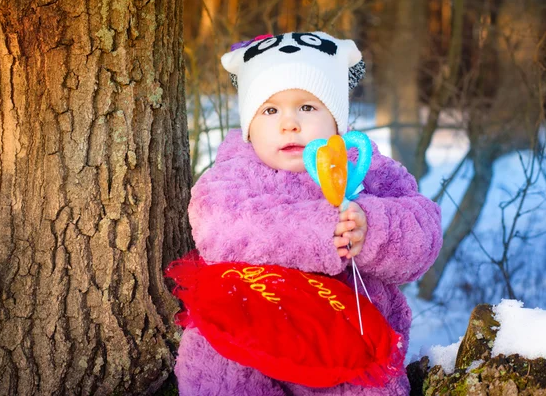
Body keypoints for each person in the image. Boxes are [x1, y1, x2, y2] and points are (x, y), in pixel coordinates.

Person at [174, 31, 442, 395]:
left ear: (336, 119)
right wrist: (320, 230)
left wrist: (371, 229)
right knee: (219, 359)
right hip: (254, 327)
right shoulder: (234, 173)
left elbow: (420, 231)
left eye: (307, 107)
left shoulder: (367, 168)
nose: (290, 123)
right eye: (270, 110)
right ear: (250, 124)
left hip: (347, 340)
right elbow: (219, 226)